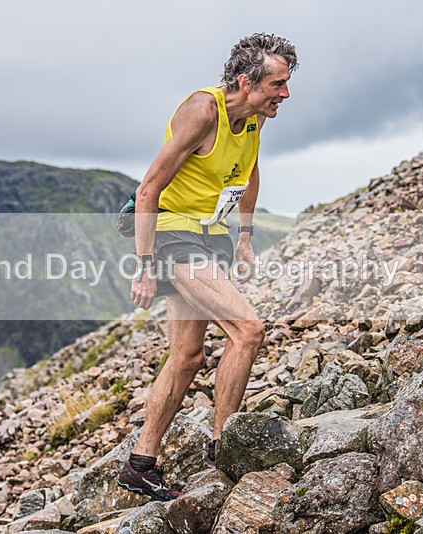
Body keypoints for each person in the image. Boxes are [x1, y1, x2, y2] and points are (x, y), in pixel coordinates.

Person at [115, 33, 297, 501]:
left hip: (210, 234)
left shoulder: (256, 118)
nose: (286, 94)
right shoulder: (203, 110)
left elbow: (251, 172)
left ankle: (140, 464)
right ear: (245, 80)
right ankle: (224, 449)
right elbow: (149, 186)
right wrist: (145, 265)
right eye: (278, 84)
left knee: (188, 356)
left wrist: (245, 237)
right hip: (172, 233)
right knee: (248, 330)